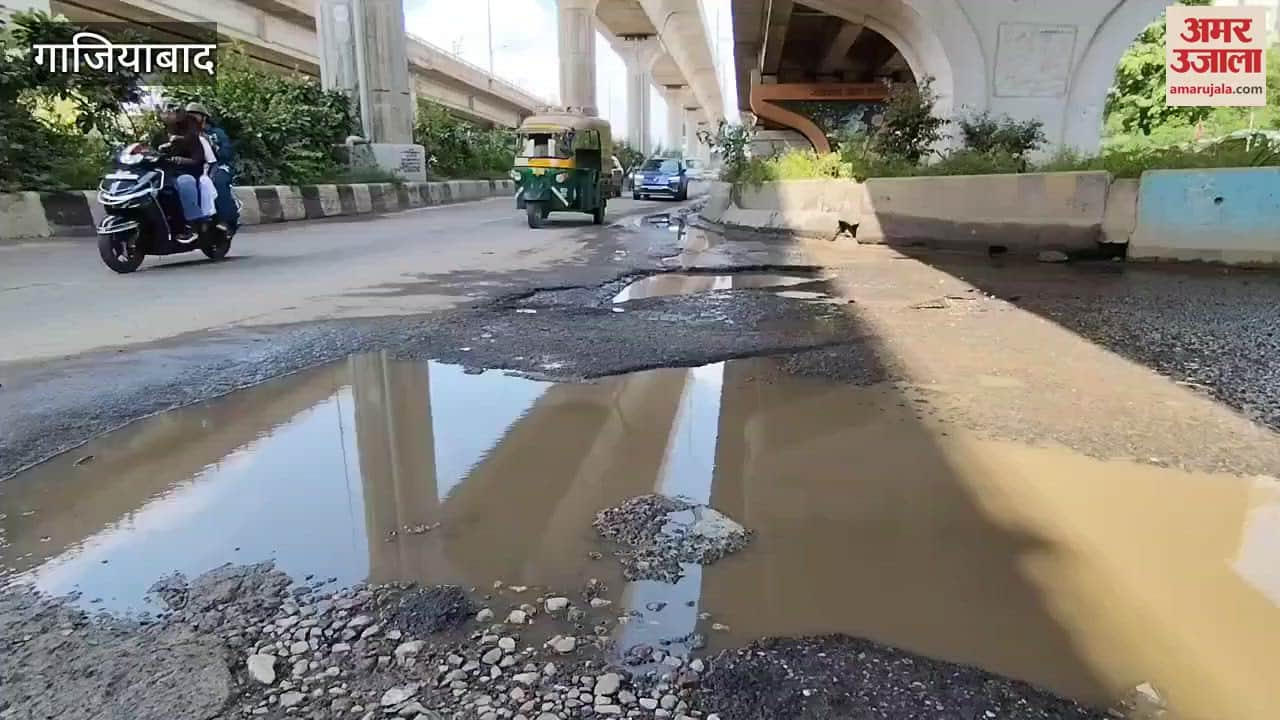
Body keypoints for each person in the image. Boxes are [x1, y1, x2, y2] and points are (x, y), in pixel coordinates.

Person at [159, 104, 215, 241]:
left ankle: (192, 225)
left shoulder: (193, 138)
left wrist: (181, 160)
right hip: (164, 174)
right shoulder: (159, 136)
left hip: (186, 173)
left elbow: (198, 159)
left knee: (185, 182)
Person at [185, 102, 238, 233]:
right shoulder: (185, 134)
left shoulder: (216, 133)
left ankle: (226, 221)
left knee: (218, 181)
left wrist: (211, 143)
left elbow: (227, 153)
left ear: (204, 117)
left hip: (219, 165)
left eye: (194, 116)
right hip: (196, 167)